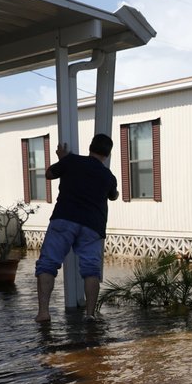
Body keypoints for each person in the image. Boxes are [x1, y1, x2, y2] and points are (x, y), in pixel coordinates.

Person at [35, 134, 120, 322]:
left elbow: (49, 174)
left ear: (90, 147)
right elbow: (113, 196)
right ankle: (90, 314)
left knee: (48, 264)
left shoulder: (71, 161)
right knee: (91, 270)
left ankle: (43, 313)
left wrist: (63, 160)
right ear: (108, 154)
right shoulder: (108, 176)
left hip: (64, 219)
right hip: (92, 226)